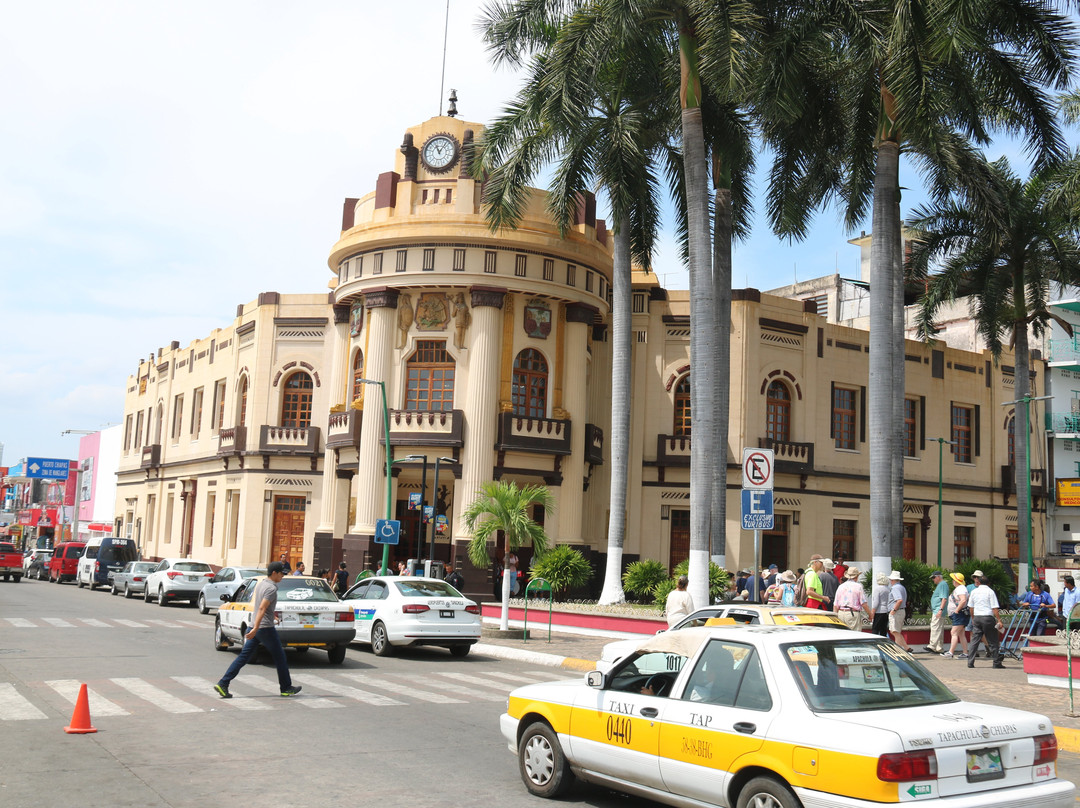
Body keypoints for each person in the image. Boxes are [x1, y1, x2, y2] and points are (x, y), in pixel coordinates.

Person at [214, 561, 301, 699]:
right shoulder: (272, 589)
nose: (282, 576)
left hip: (255, 625)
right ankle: (286, 688)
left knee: (243, 657)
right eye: (281, 574)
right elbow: (262, 608)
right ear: (274, 573)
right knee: (280, 658)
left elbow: (263, 606)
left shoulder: (261, 584)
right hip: (264, 628)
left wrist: (271, 616)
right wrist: (256, 628)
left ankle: (223, 683)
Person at [967, 570, 1005, 668]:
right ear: (988, 583)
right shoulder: (990, 592)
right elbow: (994, 608)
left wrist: (973, 618)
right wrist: (999, 620)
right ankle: (996, 662)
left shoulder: (974, 592)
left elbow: (971, 607)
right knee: (993, 640)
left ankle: (970, 662)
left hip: (977, 617)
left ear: (979, 582)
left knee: (974, 641)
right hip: (987, 617)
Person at [945, 572, 970, 658]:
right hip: (961, 614)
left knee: (954, 632)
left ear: (956, 581)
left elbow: (963, 600)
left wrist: (956, 610)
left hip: (959, 614)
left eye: (953, 579)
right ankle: (965, 652)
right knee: (961, 634)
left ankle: (950, 652)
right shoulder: (962, 588)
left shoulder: (960, 589)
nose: (952, 581)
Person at [925, 571, 950, 653]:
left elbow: (944, 598)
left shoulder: (942, 584)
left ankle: (932, 645)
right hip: (938, 610)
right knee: (939, 628)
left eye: (934, 578)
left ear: (938, 577)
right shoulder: (942, 585)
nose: (933, 580)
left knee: (935, 627)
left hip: (938, 610)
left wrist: (940, 610)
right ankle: (939, 647)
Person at [887, 570, 913, 651]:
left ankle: (897, 649)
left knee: (894, 631)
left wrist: (894, 610)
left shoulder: (895, 588)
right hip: (901, 611)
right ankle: (906, 647)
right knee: (895, 631)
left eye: (891, 580)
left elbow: (899, 600)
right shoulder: (902, 587)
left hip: (897, 611)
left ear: (893, 580)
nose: (890, 581)